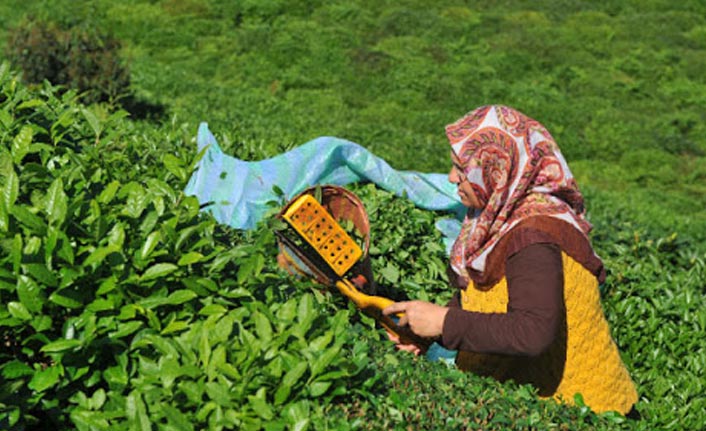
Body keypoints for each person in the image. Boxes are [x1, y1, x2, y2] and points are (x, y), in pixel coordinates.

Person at [382, 105, 638, 415]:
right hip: (536, 401)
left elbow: (532, 332)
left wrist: (444, 322)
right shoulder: (501, 217)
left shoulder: (534, 235)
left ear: (496, 170)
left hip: (585, 411)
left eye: (461, 169)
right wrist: (431, 332)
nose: (451, 178)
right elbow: (492, 296)